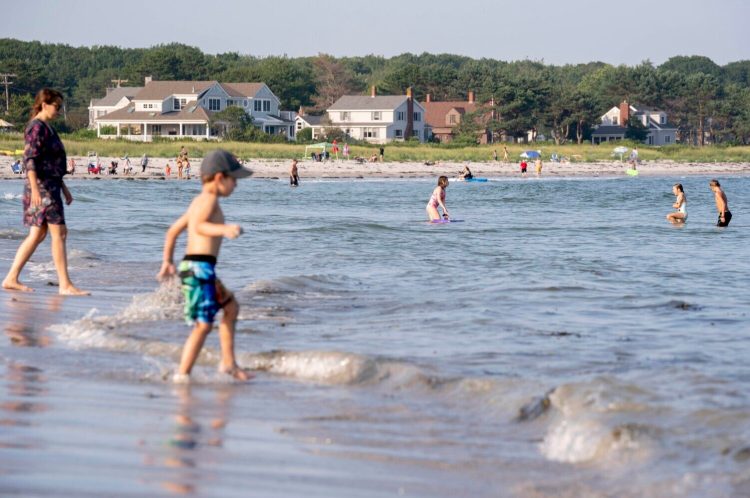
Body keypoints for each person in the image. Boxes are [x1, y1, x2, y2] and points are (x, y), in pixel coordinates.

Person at [156, 149, 253, 382]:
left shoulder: (199, 201)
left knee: (231, 308)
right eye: (234, 180)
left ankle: (228, 363)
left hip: (199, 268)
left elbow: (172, 232)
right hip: (199, 269)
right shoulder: (208, 201)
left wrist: (168, 262)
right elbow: (198, 227)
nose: (236, 186)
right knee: (203, 325)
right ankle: (182, 375)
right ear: (220, 177)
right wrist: (225, 229)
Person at [2, 89, 89, 295]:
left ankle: (11, 277)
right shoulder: (36, 128)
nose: (59, 111)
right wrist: (35, 190)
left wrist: (64, 188)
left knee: (38, 234)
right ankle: (65, 285)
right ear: (44, 105)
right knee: (59, 232)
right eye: (56, 106)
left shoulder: (47, 128)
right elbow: (30, 160)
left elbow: (51, 162)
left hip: (50, 186)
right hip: (42, 188)